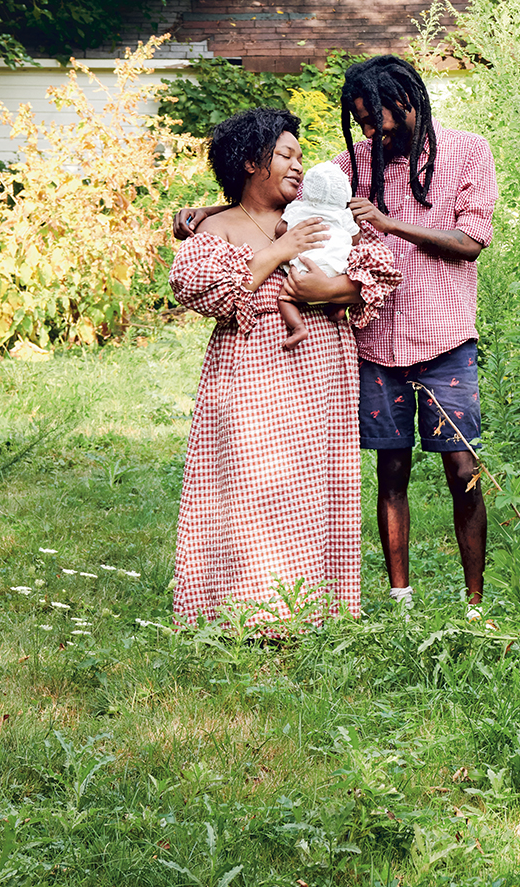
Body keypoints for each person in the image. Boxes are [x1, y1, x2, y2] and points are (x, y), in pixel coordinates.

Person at [175, 57, 498, 613]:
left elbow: (471, 240)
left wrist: (387, 226)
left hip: (444, 339)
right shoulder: (351, 165)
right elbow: (282, 189)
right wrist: (207, 209)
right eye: (361, 123)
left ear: (408, 102)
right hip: (374, 346)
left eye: (376, 119)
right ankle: (399, 600)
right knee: (388, 470)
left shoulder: (469, 151)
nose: (371, 132)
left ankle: (476, 603)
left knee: (462, 467)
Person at [168, 107, 400, 631]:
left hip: (321, 369)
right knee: (255, 485)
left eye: (301, 156)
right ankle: (247, 611)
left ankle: (310, 613)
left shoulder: (318, 217)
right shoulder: (218, 227)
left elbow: (375, 277)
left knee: (312, 487)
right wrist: (280, 250)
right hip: (250, 371)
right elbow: (202, 292)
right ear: (251, 162)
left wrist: (330, 289)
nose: (299, 166)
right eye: (286, 155)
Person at [273, 161, 359, 351]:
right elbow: (355, 237)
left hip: (306, 269)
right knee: (343, 283)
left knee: (284, 297)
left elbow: (281, 230)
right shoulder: (344, 214)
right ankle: (337, 309)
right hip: (336, 269)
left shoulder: (299, 209)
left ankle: (298, 327)